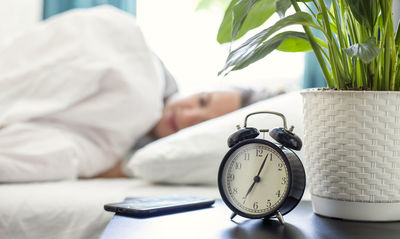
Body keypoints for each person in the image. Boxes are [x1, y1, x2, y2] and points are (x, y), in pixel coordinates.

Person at [0, 6, 282, 182]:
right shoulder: (140, 71)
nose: (188, 115)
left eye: (201, 124)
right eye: (202, 100)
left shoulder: (114, 151)